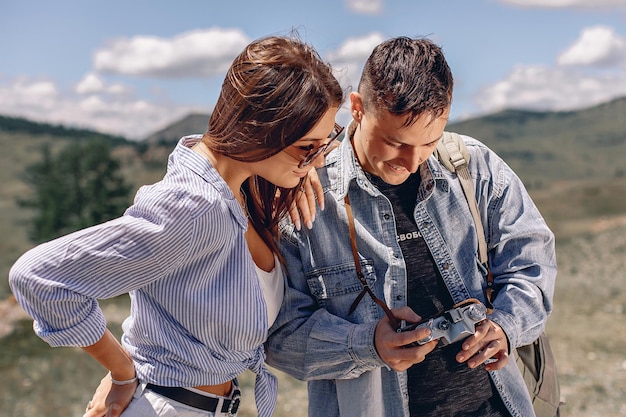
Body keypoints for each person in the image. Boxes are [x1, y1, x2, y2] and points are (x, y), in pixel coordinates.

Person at [9, 35, 344, 417]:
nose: (317, 160)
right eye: (307, 147)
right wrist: (121, 373)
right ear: (259, 128)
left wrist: (300, 170)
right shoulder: (195, 207)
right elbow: (38, 277)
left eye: (325, 143)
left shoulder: (243, 187)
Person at [265, 36, 557, 417]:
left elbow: (532, 263)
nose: (413, 161)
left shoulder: (474, 167)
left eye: (429, 142)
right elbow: (281, 336)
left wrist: (505, 325)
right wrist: (366, 344)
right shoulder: (304, 198)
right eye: (395, 142)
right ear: (356, 107)